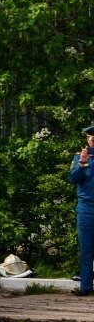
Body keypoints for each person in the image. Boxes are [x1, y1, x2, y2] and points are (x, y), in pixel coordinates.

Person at [68, 125, 94, 297]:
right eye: (91, 139)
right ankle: (85, 287)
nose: (93, 142)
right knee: (86, 250)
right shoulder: (80, 157)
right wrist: (82, 163)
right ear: (87, 140)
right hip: (86, 210)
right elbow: (73, 179)